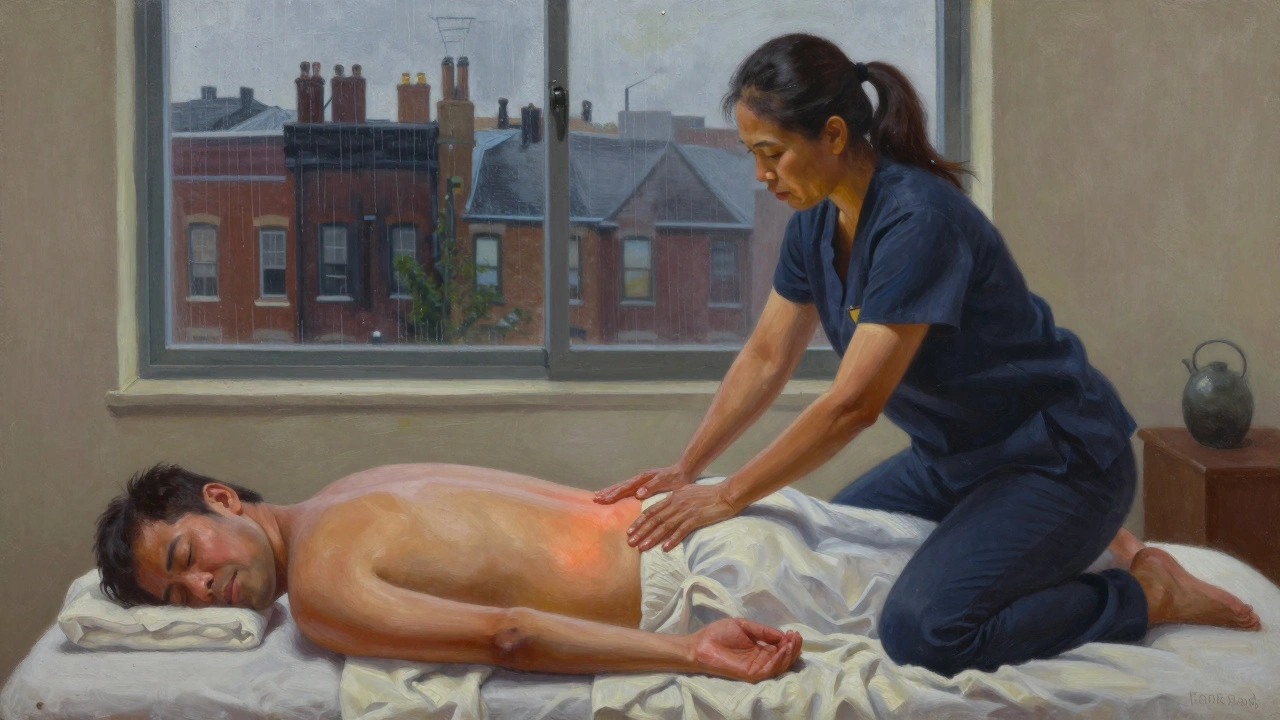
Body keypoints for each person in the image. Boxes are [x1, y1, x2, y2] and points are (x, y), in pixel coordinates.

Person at [594, 33, 1260, 677]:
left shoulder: (919, 220)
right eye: (752, 156)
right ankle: (1088, 547)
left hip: (1060, 458)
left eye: (772, 153)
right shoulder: (814, 226)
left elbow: (854, 404)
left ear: (831, 134)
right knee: (824, 547)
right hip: (956, 462)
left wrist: (729, 494)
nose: (763, 175)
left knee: (925, 631)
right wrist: (689, 468)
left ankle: (1145, 595)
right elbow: (767, 356)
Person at [93, 462, 803, 682]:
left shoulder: (317, 586)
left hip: (716, 576)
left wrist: (691, 652)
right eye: (178, 600)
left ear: (222, 501)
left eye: (187, 559)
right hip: (696, 514)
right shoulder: (353, 486)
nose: (200, 591)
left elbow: (509, 636)